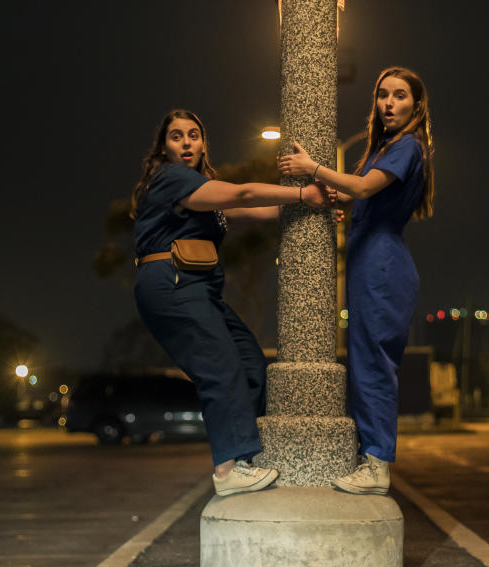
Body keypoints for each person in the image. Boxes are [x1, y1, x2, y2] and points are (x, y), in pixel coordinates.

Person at [131, 109, 331, 497]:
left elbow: (259, 209)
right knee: (220, 365)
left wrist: (314, 206)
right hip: (171, 281)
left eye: (193, 135)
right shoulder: (171, 178)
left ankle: (245, 455)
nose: (186, 142)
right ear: (164, 148)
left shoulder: (203, 186)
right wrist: (304, 192)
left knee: (251, 363)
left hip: (200, 287)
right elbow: (241, 193)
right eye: (176, 137)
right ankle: (227, 471)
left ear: (204, 142)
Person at [279, 67, 435, 495]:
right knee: (365, 363)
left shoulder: (407, 146)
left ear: (416, 105)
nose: (388, 103)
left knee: (374, 366)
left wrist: (315, 168)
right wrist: (336, 195)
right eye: (382, 95)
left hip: (383, 263)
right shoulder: (386, 146)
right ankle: (371, 455)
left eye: (399, 95)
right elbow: (359, 194)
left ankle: (378, 463)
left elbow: (365, 188)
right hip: (370, 257)